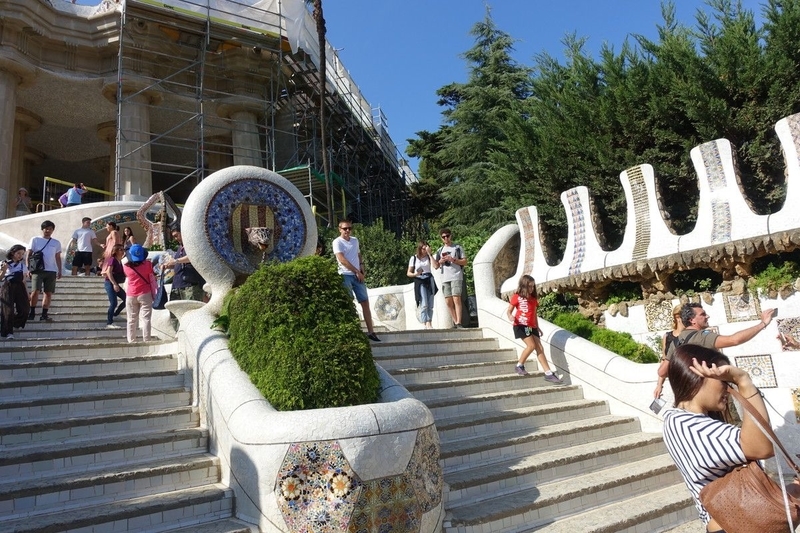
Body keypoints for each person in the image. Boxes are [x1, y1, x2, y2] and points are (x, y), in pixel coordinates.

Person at [662, 344, 776, 532]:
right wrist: (744, 381)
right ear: (697, 377)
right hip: (734, 524)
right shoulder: (692, 427)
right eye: (723, 380)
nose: (728, 388)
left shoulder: (677, 419)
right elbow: (761, 447)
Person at [662, 303, 775, 366]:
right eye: (703, 314)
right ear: (692, 320)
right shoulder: (702, 336)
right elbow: (734, 340)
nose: (707, 316)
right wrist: (763, 323)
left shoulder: (676, 341)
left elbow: (661, 371)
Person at [506, 275, 563, 382]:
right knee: (531, 346)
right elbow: (509, 311)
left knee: (540, 348)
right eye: (529, 286)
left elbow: (534, 314)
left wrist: (537, 327)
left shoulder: (533, 299)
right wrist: (510, 316)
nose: (531, 289)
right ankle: (519, 366)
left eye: (533, 286)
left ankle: (548, 373)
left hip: (532, 326)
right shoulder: (517, 296)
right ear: (523, 286)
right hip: (521, 325)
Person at [332, 220, 380, 342]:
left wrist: (362, 268)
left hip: (357, 275)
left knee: (365, 302)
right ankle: (351, 331)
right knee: (348, 302)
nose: (347, 230)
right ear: (340, 229)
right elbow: (342, 259)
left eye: (349, 228)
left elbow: (358, 254)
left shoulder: (355, 240)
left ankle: (371, 331)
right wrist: (356, 271)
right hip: (345, 274)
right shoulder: (337, 242)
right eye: (345, 229)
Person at [431, 228, 468, 328]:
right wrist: (440, 261)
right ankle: (455, 321)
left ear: (451, 236)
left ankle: (459, 322)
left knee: (456, 298)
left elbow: (465, 262)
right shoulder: (440, 250)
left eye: (447, 236)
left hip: (456, 275)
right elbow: (435, 266)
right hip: (445, 278)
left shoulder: (457, 248)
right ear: (441, 238)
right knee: (448, 301)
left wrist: (453, 260)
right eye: (443, 237)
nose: (446, 238)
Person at [26, 220, 62, 322]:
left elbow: (58, 257)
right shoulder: (35, 239)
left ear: (53, 230)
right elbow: (29, 253)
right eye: (46, 228)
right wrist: (28, 267)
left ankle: (44, 314)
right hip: (38, 270)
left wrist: (59, 270)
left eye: (50, 229)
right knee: (35, 291)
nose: (48, 230)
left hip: (51, 270)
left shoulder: (56, 242)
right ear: (42, 229)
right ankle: (31, 312)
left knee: (48, 293)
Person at [123, 245, 157, 343]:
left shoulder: (126, 267)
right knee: (146, 318)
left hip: (131, 294)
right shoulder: (148, 265)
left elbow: (126, 260)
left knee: (131, 319)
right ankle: (146, 340)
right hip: (145, 294)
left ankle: (131, 340)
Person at [162, 224, 205, 302]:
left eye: (176, 235)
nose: (175, 239)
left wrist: (176, 261)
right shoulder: (180, 247)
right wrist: (168, 266)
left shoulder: (193, 245)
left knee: (192, 310)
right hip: (177, 285)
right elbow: (178, 262)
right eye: (173, 237)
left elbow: (193, 257)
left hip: (190, 285)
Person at [654, 304, 685, 398]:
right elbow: (664, 360)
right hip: (675, 379)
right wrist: (659, 385)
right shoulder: (667, 337)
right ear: (678, 317)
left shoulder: (692, 335)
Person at [0, 245, 30, 339]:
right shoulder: (4, 263)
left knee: (25, 309)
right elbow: (0, 278)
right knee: (8, 310)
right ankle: (8, 332)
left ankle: (12, 323)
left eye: (22, 254)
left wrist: (27, 292)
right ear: (12, 253)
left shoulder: (22, 266)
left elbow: (24, 280)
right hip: (8, 286)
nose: (20, 256)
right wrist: (4, 269)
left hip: (20, 287)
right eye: (18, 253)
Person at [407, 241, 436, 329]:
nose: (425, 251)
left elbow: (435, 266)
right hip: (420, 279)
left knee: (430, 303)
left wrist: (430, 254)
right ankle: (424, 322)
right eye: (423, 249)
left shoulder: (429, 257)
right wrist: (416, 274)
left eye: (426, 249)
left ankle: (429, 323)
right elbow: (408, 273)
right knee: (424, 303)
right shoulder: (414, 258)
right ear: (420, 249)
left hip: (429, 278)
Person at [102, 244, 127, 329]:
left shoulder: (120, 261)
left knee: (126, 299)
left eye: (123, 249)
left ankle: (115, 314)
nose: (123, 251)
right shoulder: (112, 259)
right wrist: (114, 284)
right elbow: (109, 272)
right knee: (114, 302)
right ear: (116, 251)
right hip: (110, 283)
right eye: (120, 249)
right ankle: (109, 322)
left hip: (115, 283)